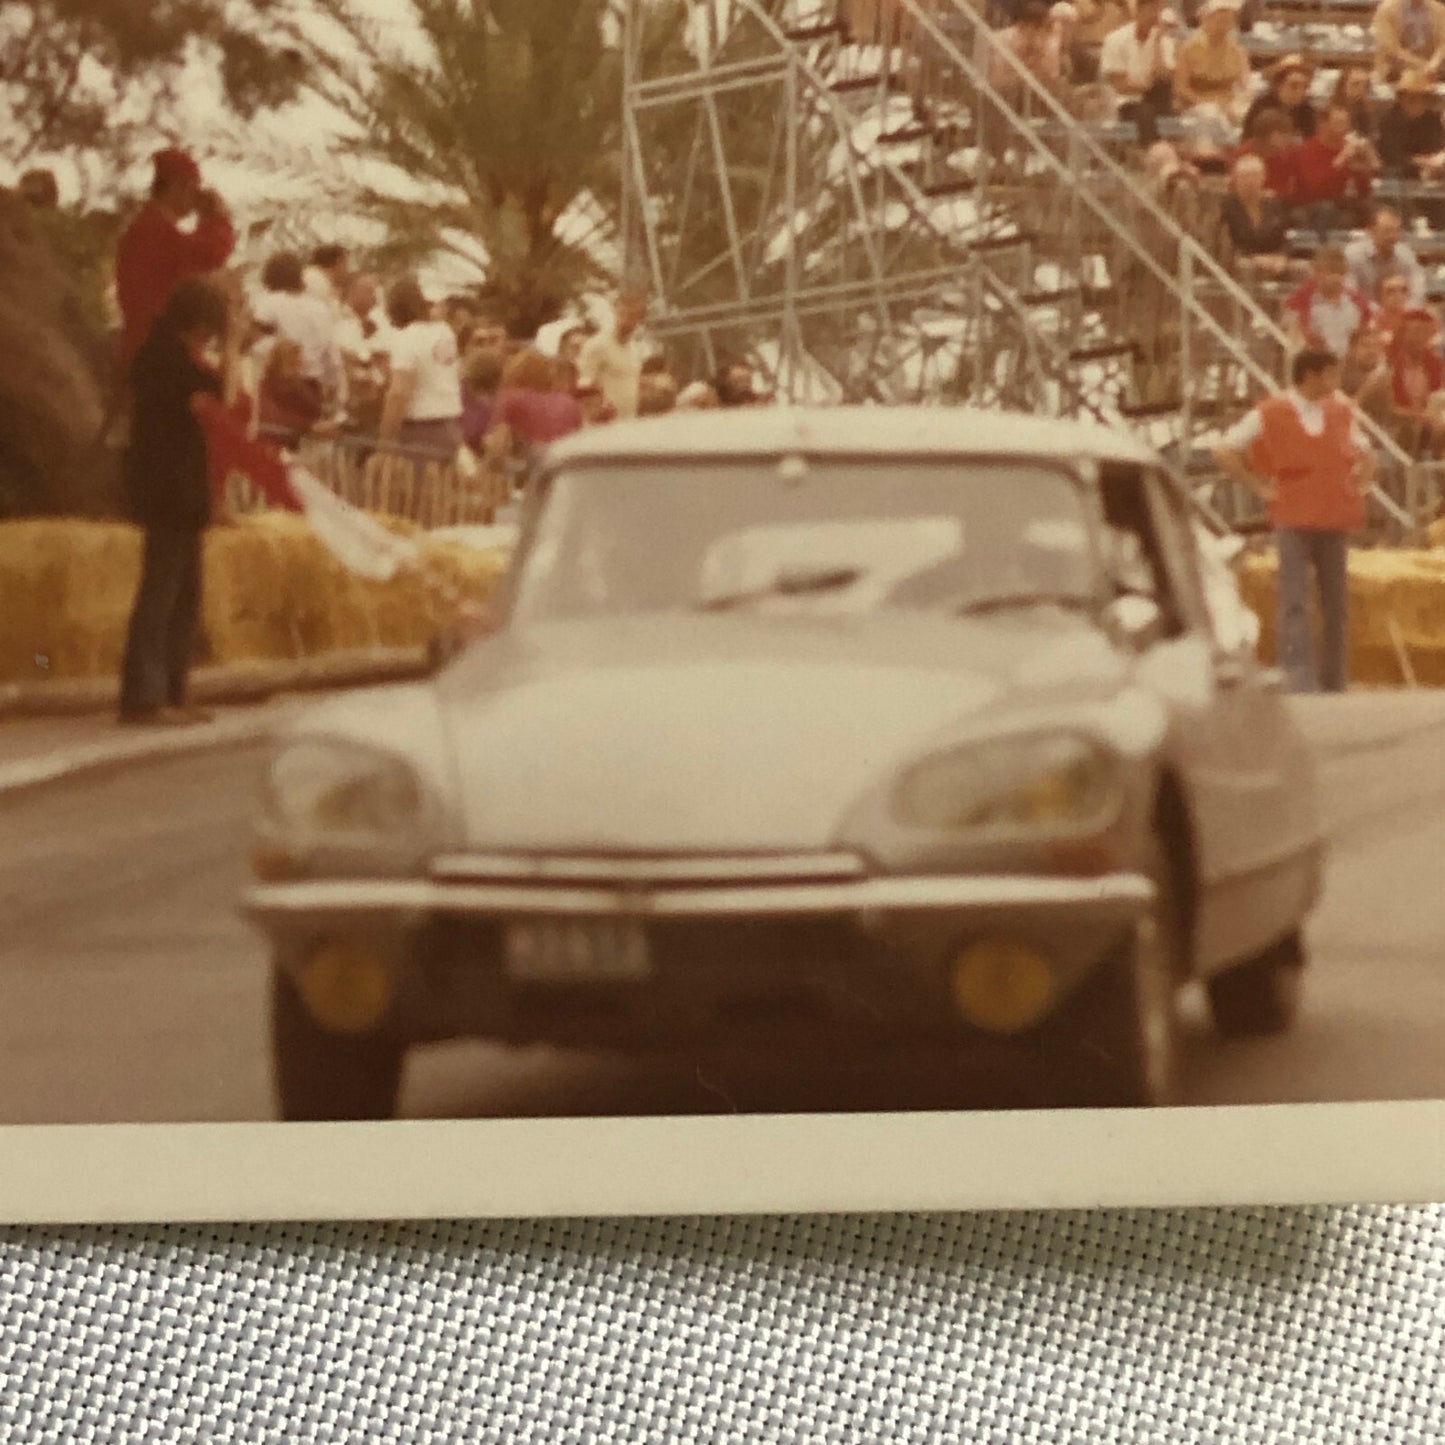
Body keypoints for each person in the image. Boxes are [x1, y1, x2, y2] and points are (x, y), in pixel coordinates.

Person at [1211, 348, 1374, 693]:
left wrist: (1362, 483)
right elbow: (1224, 448)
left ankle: (1335, 680)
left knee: (1336, 602)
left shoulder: (1341, 411)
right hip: (1293, 516)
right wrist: (1257, 486)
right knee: (1294, 600)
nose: (1336, 381)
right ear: (1311, 376)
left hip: (1333, 514)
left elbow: (1366, 449)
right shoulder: (1271, 411)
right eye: (1330, 374)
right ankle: (1299, 680)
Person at [117, 278, 231, 726]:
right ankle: (145, 695)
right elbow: (222, 394)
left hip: (179, 486)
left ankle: (171, 689)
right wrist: (234, 345)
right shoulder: (164, 359)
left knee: (184, 592)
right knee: (162, 591)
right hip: (167, 487)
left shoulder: (172, 357)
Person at [114, 148, 235, 372]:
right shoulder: (155, 229)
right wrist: (218, 218)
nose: (196, 199)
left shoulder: (147, 226)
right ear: (178, 187)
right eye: (193, 190)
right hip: (156, 351)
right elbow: (210, 253)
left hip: (145, 344)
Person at [251, 251, 346, 423]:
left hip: (276, 386)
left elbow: (256, 346)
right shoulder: (321, 310)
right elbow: (332, 360)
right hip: (311, 388)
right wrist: (334, 398)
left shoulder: (266, 303)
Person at [378, 275, 465, 454]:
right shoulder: (444, 332)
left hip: (420, 429)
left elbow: (399, 393)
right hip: (451, 425)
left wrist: (384, 442)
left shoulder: (407, 338)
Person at [1287, 102, 1380, 233]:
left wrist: (1362, 168)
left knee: (1375, 210)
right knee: (1330, 210)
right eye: (1338, 124)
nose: (1344, 129)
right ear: (1322, 124)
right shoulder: (1305, 150)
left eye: (1346, 124)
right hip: (1311, 206)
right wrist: (1341, 160)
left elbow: (1364, 191)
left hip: (1344, 203)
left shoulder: (1349, 147)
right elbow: (1315, 189)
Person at [1099, 0, 1179, 146]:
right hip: (1124, 101)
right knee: (1146, 112)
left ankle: (1166, 150)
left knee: (1163, 89)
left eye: (1158, 10)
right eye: (1151, 9)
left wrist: (1157, 44)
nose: (1154, 15)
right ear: (1139, 10)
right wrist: (1147, 86)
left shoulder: (1164, 41)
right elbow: (1120, 85)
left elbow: (1163, 77)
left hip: (1156, 99)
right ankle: (1152, 152)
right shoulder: (1115, 39)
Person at [1284, 244, 1375, 356]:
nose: (1336, 278)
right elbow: (1292, 338)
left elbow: (1367, 334)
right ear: (1317, 273)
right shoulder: (1299, 302)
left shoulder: (1359, 303)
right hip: (1314, 361)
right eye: (1330, 272)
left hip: (1349, 362)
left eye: (1340, 273)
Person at [1173, 0, 1250, 129]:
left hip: (1227, 102)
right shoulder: (1189, 49)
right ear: (1206, 20)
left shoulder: (1238, 51)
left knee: (1244, 113)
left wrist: (1237, 101)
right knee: (1211, 115)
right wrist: (1207, 102)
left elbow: (1245, 86)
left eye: (1227, 21)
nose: (1223, 26)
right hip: (1196, 105)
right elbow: (1181, 88)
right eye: (1219, 20)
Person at [576, 291, 648, 420]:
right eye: (621, 314)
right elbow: (583, 384)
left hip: (630, 420)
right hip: (604, 423)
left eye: (632, 316)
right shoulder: (597, 345)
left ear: (639, 319)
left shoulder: (636, 348)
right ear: (615, 312)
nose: (625, 320)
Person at [1221, 154, 1292, 276]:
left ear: (1263, 177)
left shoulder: (1274, 204)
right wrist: (1255, 258)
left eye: (1255, 176)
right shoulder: (1226, 206)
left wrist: (1282, 257)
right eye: (1245, 177)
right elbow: (1226, 243)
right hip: (1240, 258)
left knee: (1302, 268)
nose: (1250, 182)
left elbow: (1284, 238)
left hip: (1273, 258)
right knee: (1245, 266)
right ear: (1235, 179)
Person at [1345, 206, 1427, 303]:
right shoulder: (1353, 255)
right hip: (1362, 309)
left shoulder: (1406, 254)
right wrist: (1373, 310)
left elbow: (1417, 290)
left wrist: (1406, 308)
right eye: (1387, 231)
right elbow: (1350, 293)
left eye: (1396, 231)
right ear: (1372, 231)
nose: (1392, 236)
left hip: (1398, 309)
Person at [1241, 55, 1317, 140]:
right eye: (1294, 86)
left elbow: (1310, 141)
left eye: (1305, 87)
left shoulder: (1306, 111)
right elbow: (1247, 140)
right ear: (1278, 85)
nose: (1300, 92)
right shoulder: (1261, 108)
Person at [1372, 0, 1445, 84]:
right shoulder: (1386, 10)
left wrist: (1434, 63)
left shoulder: (1439, 9)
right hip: (1394, 74)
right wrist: (1422, 65)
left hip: (1431, 75)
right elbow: (1390, 48)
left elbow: (1443, 43)